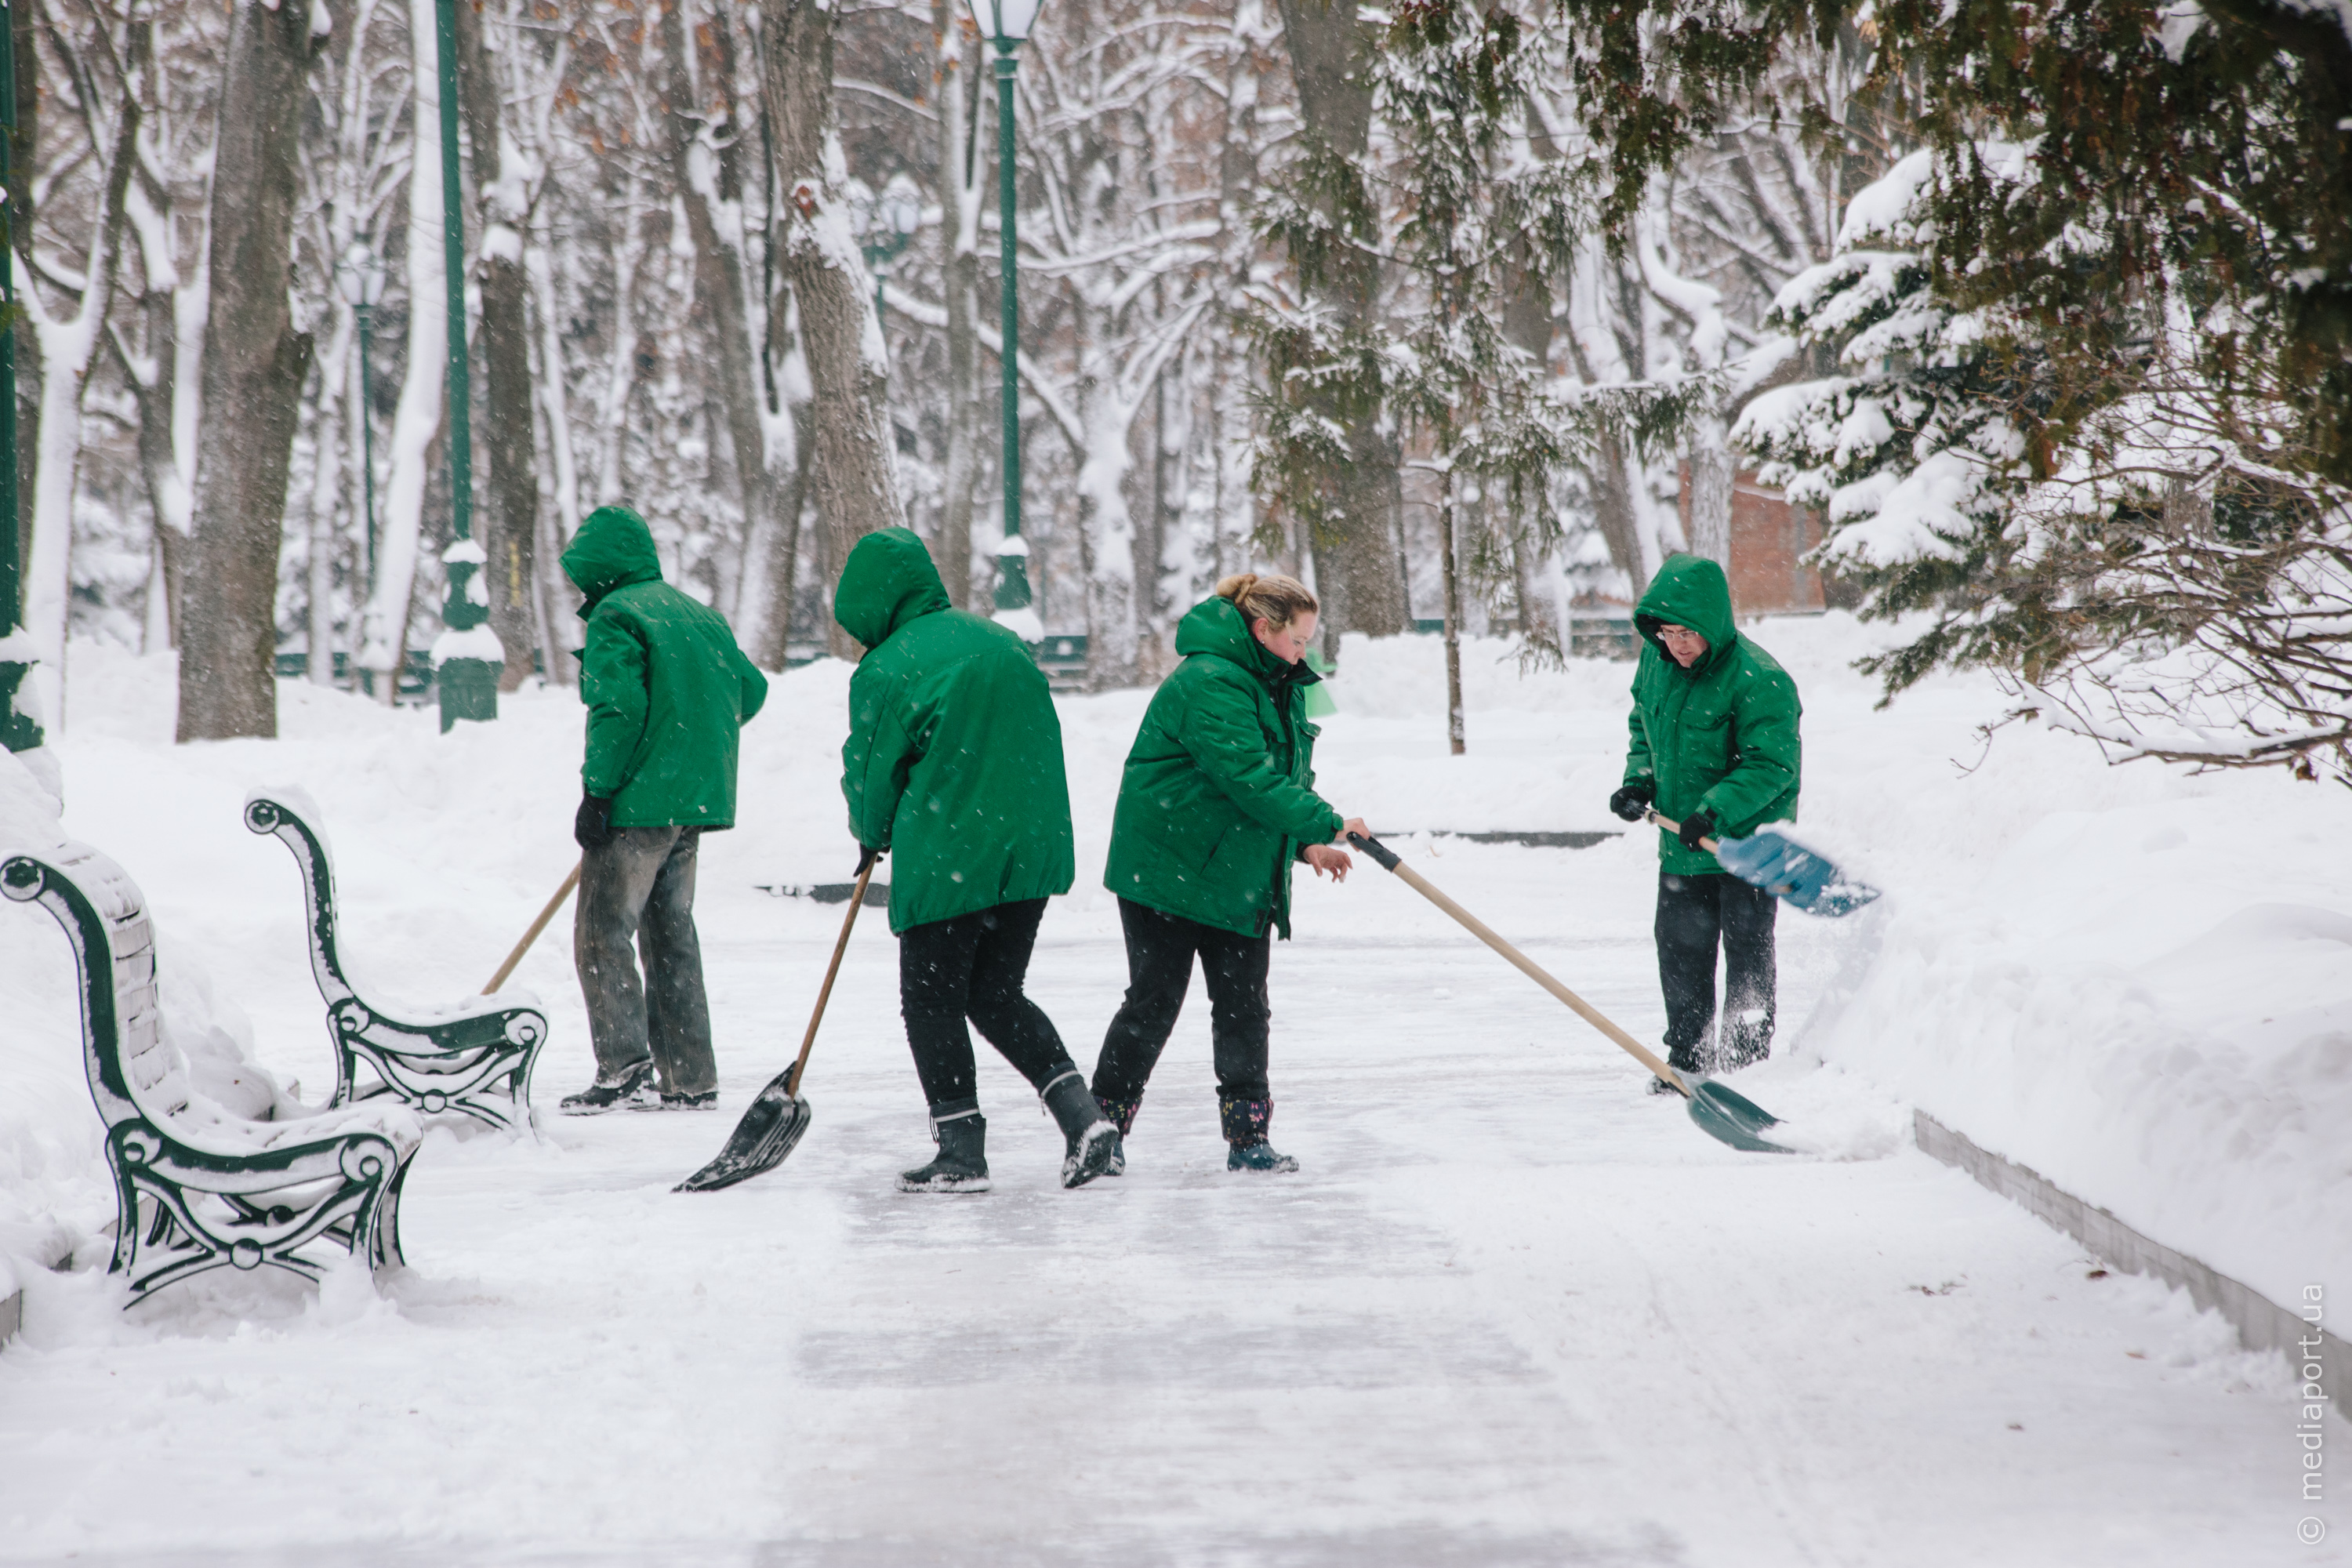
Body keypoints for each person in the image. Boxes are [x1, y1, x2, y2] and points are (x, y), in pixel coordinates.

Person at [835, 527, 1116, 1193]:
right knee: (994, 993)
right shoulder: (1000, 641)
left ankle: (961, 1150)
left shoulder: (887, 666)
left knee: (929, 999)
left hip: (953, 852)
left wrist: (870, 831)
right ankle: (1085, 1121)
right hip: (1028, 851)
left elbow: (873, 769)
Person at [1090, 572, 1369, 1174]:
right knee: (1153, 1003)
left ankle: (1249, 1139)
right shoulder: (1209, 682)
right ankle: (1099, 1131)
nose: (1305, 653)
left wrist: (1303, 843)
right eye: (1299, 640)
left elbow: (1282, 778)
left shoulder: (1280, 681)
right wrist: (1325, 822)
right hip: (1167, 868)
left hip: (1236, 870)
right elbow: (1247, 776)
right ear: (1263, 628)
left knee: (1244, 1005)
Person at [558, 504, 769, 1114]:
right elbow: (748, 690)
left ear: (600, 567)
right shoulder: (699, 615)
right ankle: (690, 1076)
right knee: (671, 934)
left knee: (602, 933)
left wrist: (599, 792)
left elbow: (616, 709)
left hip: (636, 805)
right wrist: (691, 737)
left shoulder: (617, 614)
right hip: (693, 803)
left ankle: (623, 1070)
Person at [1607, 553, 1801, 1091]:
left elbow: (1773, 766)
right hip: (1682, 843)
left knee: (1747, 954)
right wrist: (1638, 782)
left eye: (1687, 633)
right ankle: (1688, 1061)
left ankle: (1746, 1067)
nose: (1677, 645)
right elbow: (1643, 728)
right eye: (1667, 633)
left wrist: (1713, 810)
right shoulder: (1657, 665)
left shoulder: (1760, 679)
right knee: (1681, 950)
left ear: (1712, 624)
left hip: (1746, 846)